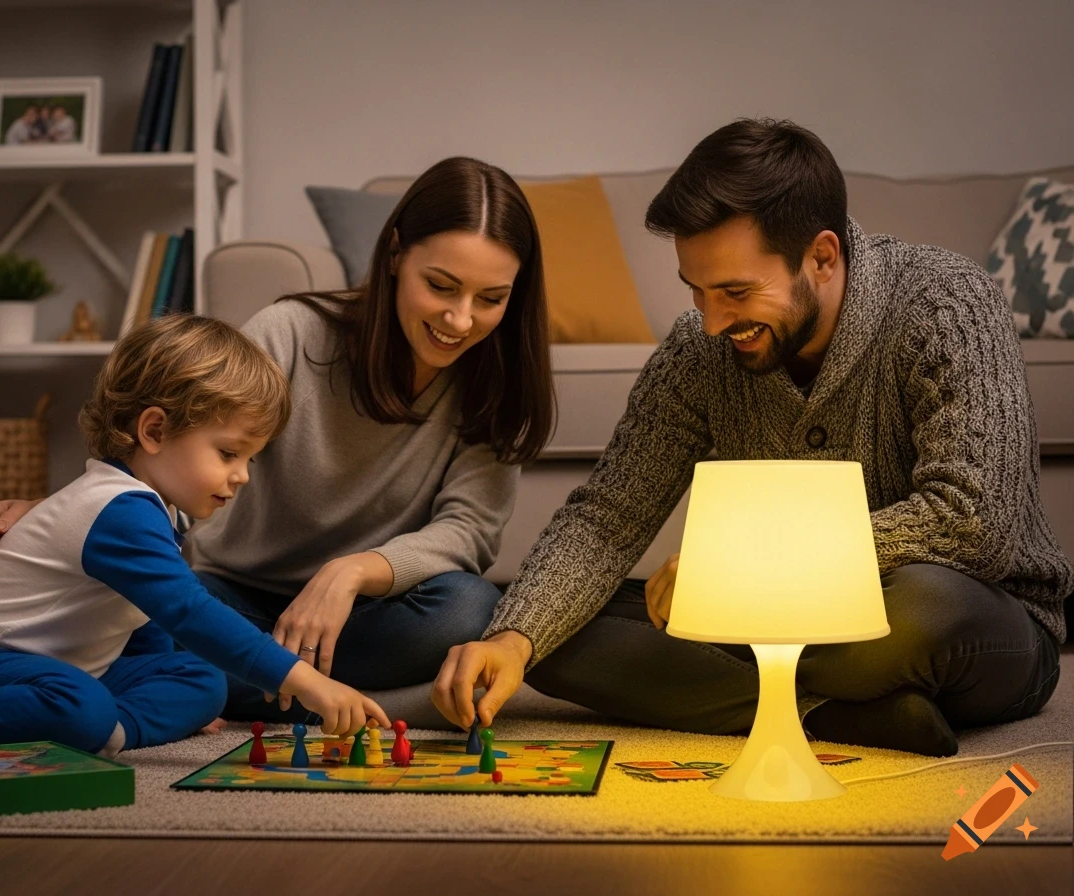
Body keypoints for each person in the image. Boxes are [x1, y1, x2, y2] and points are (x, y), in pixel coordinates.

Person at [432, 119, 1071, 757]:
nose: (711, 322)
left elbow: (973, 524)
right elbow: (608, 516)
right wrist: (515, 637)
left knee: (926, 608)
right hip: (774, 627)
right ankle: (835, 714)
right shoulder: (697, 351)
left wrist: (733, 568)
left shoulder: (947, 302)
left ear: (822, 257)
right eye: (697, 291)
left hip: (973, 621)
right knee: (552, 632)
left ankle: (765, 700)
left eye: (736, 292)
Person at [0, 156, 556, 727]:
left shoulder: (497, 385)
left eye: (490, 299)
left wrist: (348, 573)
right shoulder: (293, 333)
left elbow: (468, 533)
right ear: (396, 252)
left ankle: (261, 691)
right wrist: (56, 514)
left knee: (467, 611)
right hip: (229, 596)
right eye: (441, 286)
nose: (459, 320)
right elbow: (173, 445)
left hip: (362, 612)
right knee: (157, 613)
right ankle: (380, 704)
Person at [0, 315, 389, 770]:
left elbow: (145, 620)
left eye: (250, 459)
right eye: (229, 453)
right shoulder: (117, 511)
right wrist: (303, 679)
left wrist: (169, 677)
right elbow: (187, 609)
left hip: (63, 669)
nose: (242, 476)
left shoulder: (149, 507)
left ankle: (103, 730)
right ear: (154, 431)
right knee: (79, 701)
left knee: (201, 682)